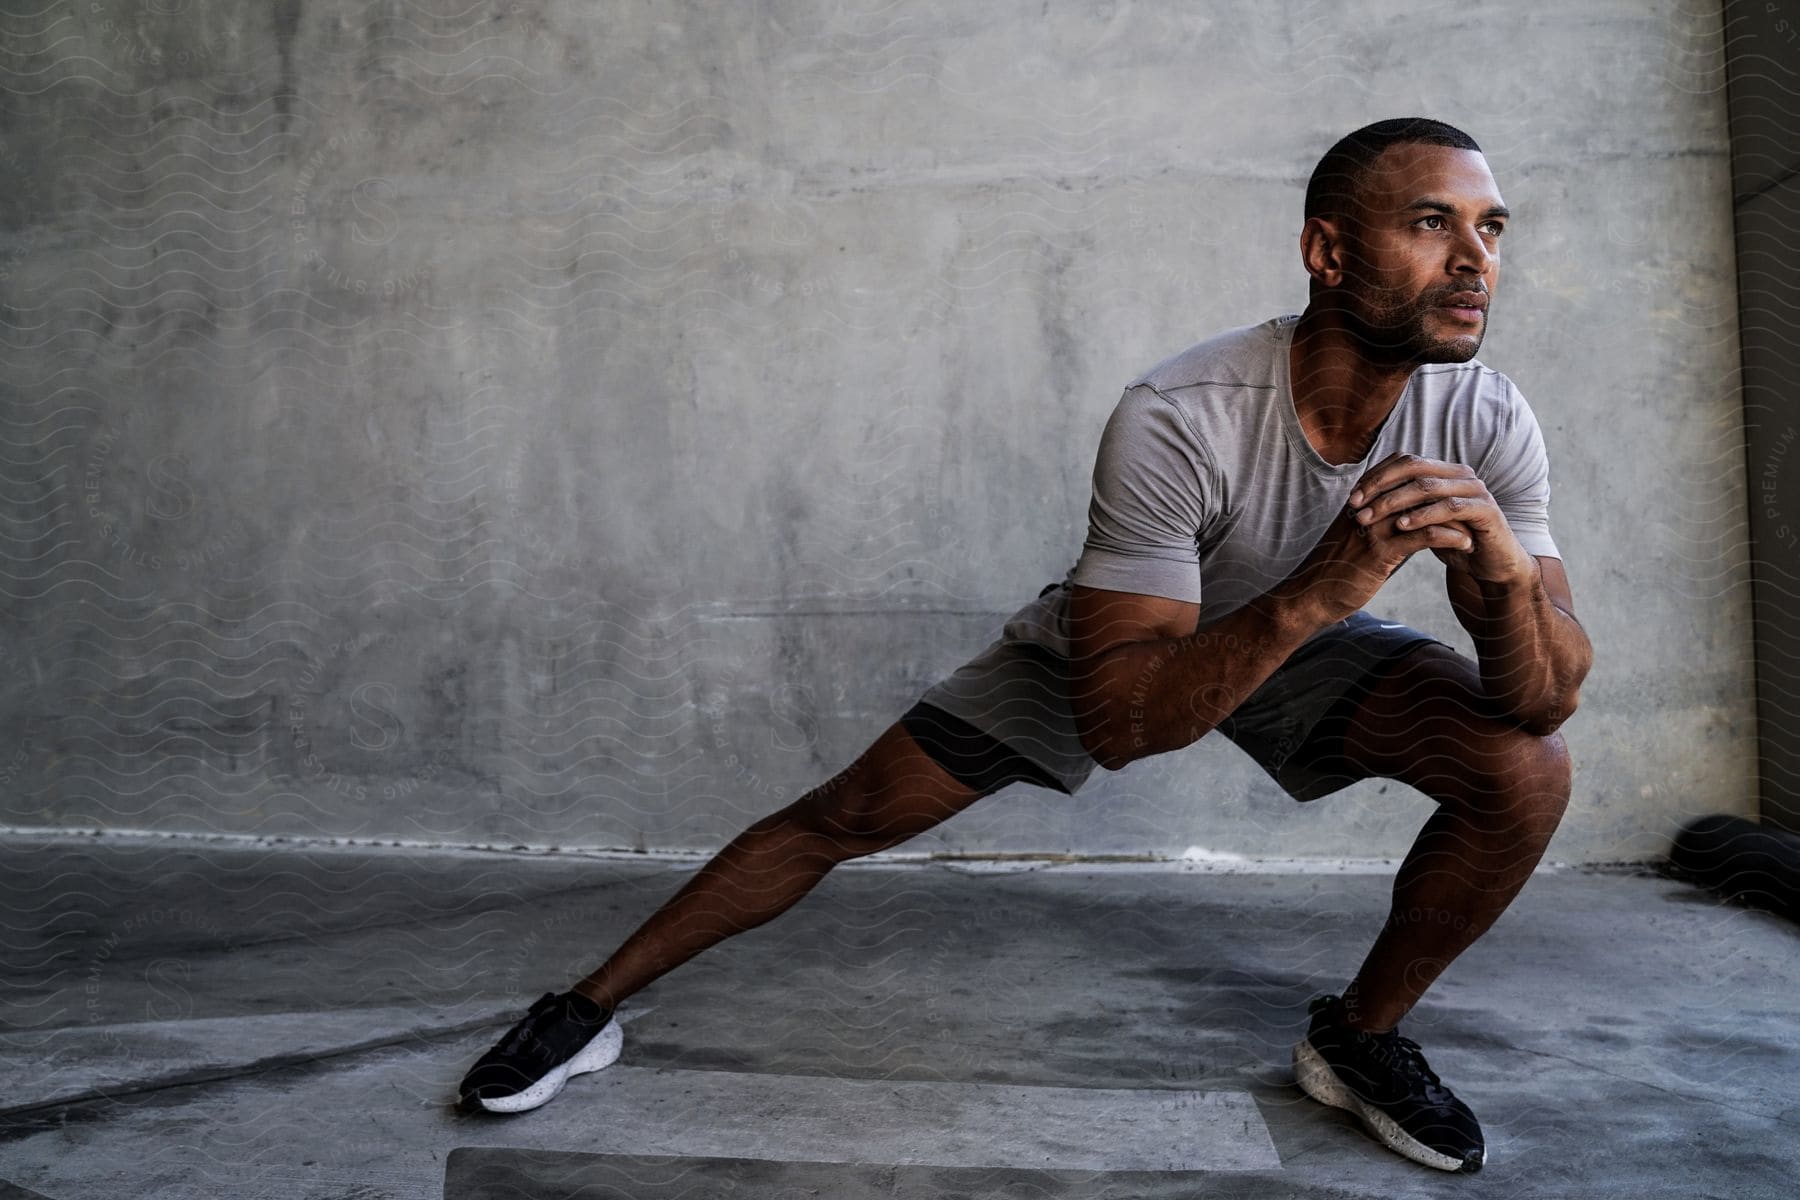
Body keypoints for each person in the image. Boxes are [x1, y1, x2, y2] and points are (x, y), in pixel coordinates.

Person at [456, 117, 1592, 1176]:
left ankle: (1358, 1039)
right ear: (1327, 250)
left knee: (1524, 769)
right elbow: (1126, 725)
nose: (1475, 257)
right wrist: (1319, 590)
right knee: (848, 814)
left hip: (1311, 641)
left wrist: (1498, 584)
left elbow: (1546, 696)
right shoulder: (1182, 413)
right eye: (1432, 222)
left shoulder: (1486, 417)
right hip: (1133, 650)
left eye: (1490, 227)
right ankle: (586, 1007)